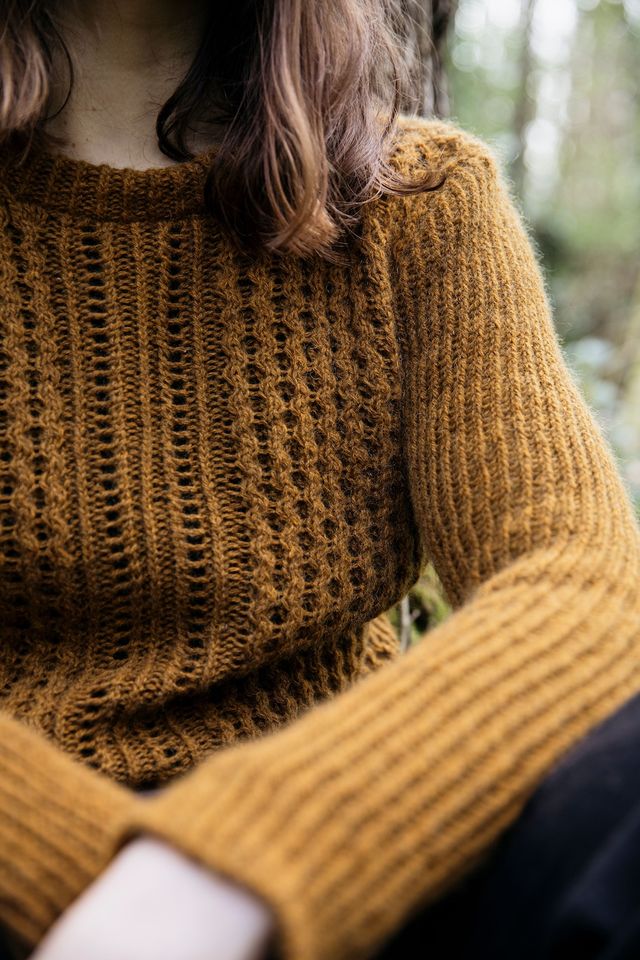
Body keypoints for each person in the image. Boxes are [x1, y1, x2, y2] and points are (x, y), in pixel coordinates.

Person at [0, 2, 639, 959]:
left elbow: (586, 585)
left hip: (359, 855)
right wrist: (98, 894)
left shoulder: (421, 200)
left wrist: (225, 876)